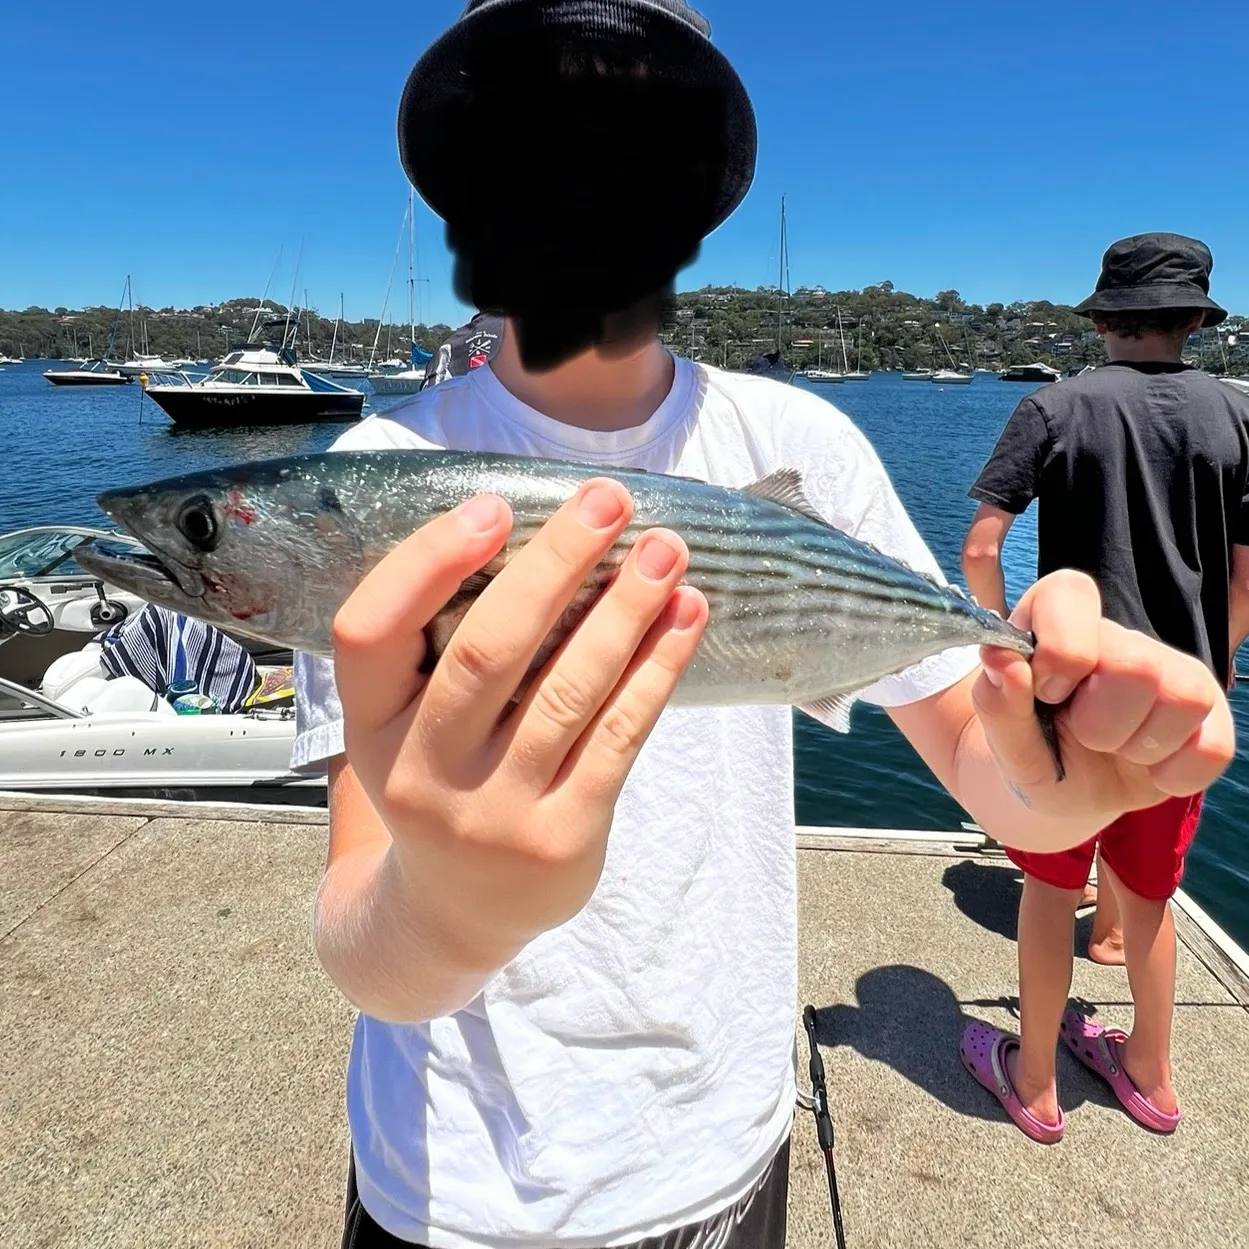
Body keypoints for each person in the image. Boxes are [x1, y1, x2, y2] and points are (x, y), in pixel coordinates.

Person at [292, 6, 1234, 1241]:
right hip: (454, 1176)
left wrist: (1078, 778)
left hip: (723, 1139)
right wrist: (448, 908)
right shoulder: (368, 485)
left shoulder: (797, 444)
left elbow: (981, 764)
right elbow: (364, 944)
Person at [961, 232, 1249, 1142]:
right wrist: (1210, 666)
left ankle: (1036, 1084)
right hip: (1177, 715)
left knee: (1049, 893)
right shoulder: (1239, 417)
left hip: (1069, 703)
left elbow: (980, 544)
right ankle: (1149, 1076)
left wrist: (1008, 650)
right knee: (1150, 897)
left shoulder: (1055, 407)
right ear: (1194, 319)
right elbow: (1246, 577)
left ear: (1105, 316)